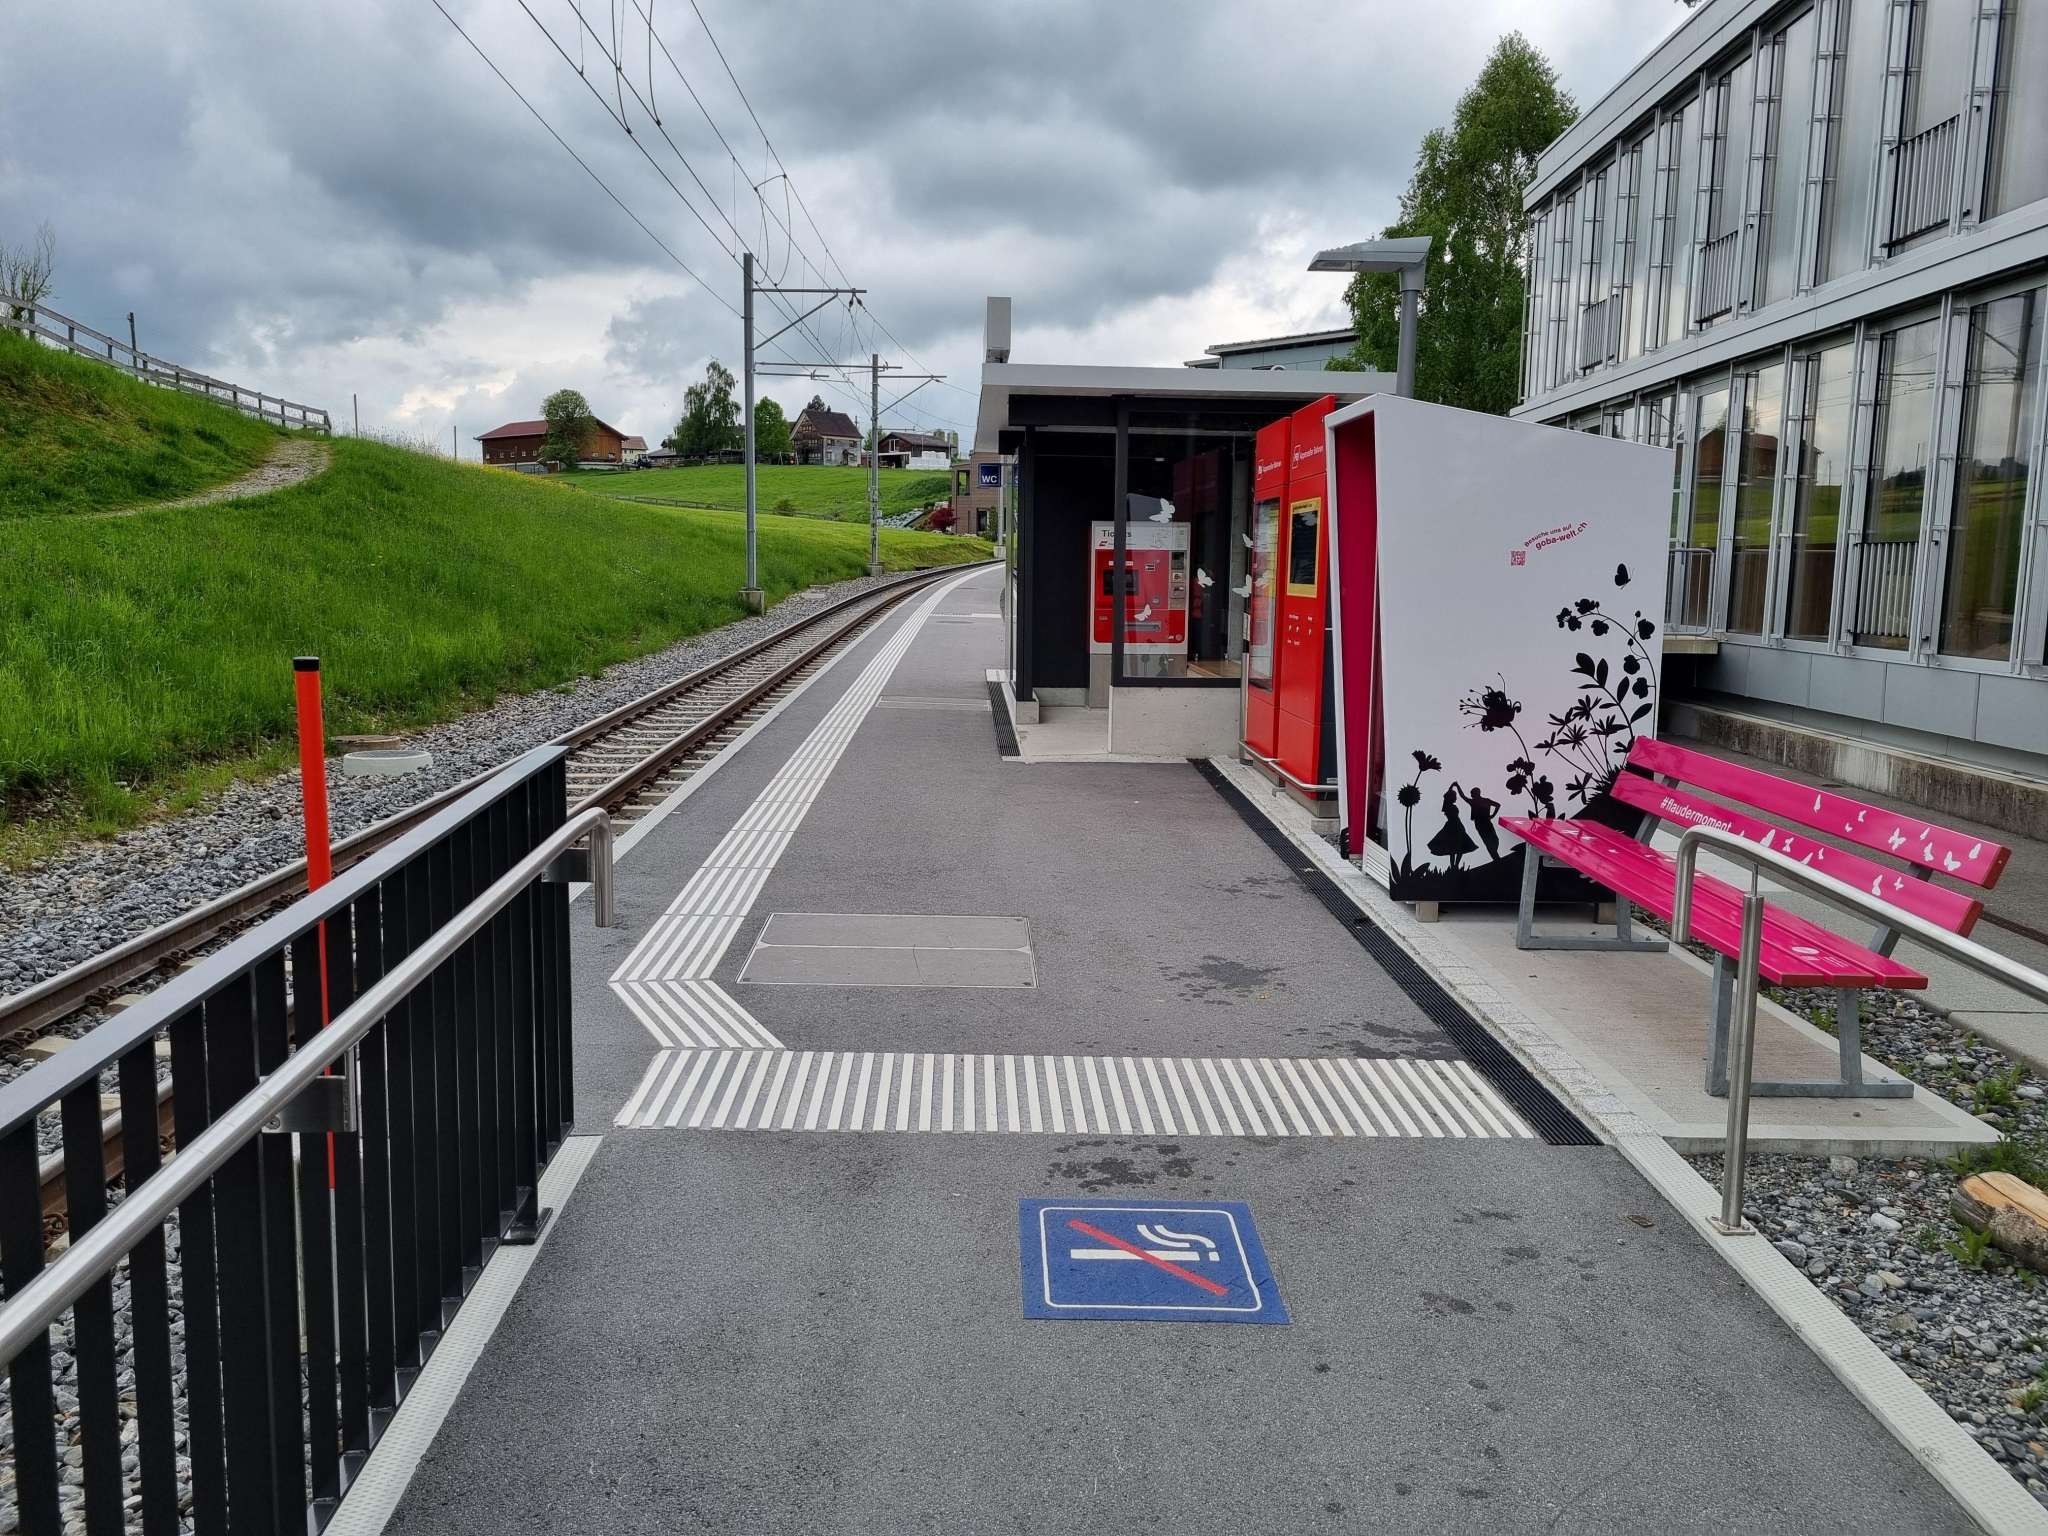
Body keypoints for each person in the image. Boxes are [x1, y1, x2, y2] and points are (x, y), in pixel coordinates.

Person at [1428, 783, 1477, 872]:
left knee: (1461, 846)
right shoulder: (1447, 805)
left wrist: (1455, 786)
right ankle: (1453, 866)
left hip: (1458, 825)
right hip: (1451, 826)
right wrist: (1452, 787)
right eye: (1455, 796)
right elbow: (1446, 796)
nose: (1456, 798)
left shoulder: (1452, 806)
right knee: (1452, 847)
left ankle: (1456, 865)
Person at [1463, 783, 1502, 864]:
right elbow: (1463, 796)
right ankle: (1496, 858)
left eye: (1472, 794)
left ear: (1476, 793)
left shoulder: (1485, 801)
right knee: (1488, 841)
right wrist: (1457, 786)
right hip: (1480, 824)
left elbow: (1498, 805)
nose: (1471, 795)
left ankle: (1495, 857)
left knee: (1494, 840)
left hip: (1486, 822)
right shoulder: (1473, 802)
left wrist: (1492, 815)